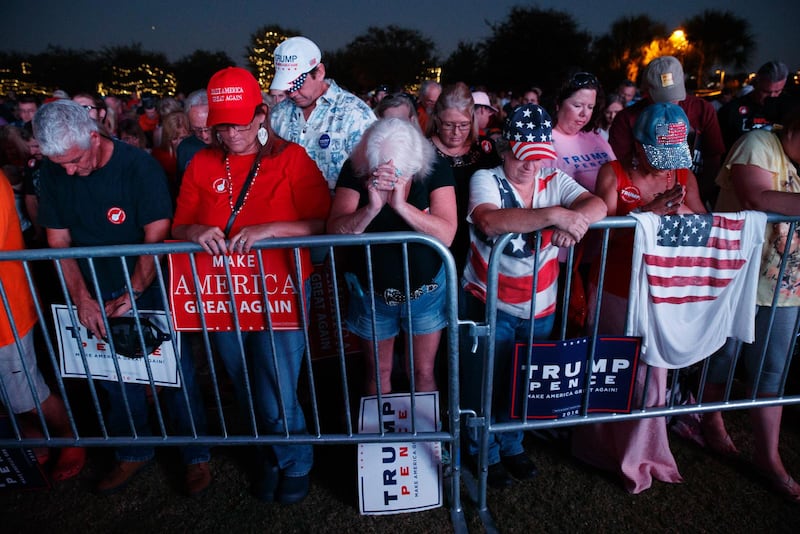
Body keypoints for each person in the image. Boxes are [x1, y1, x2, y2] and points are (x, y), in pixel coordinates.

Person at [33, 99, 211, 496]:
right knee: (112, 377)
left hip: (146, 287)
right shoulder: (54, 170)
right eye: (60, 164)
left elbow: (156, 232)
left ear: (94, 137)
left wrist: (136, 287)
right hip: (93, 287)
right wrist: (81, 297)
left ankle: (196, 455)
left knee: (174, 373)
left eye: (75, 160)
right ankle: (133, 450)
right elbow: (57, 239)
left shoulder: (137, 165)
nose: (69, 171)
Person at [172, 67, 331, 504]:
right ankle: (269, 455)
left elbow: (324, 222)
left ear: (262, 116)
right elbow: (180, 223)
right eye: (223, 125)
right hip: (223, 293)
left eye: (241, 123)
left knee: (276, 385)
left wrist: (271, 230)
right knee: (243, 381)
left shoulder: (292, 158)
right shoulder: (200, 162)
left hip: (279, 292)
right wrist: (195, 233)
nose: (232, 133)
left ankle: (295, 460)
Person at [461, 104, 607, 488]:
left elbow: (598, 203)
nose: (531, 167)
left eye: (538, 158)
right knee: (486, 384)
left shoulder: (552, 178)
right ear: (506, 149)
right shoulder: (486, 178)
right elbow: (490, 220)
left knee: (522, 382)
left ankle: (511, 444)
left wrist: (576, 222)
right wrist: (555, 215)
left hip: (540, 305)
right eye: (523, 157)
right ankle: (483, 451)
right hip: (489, 302)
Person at [573, 103, 706, 493]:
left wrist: (683, 214)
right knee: (611, 369)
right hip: (615, 286)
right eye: (658, 155)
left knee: (652, 377)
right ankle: (597, 447)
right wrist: (646, 214)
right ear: (638, 145)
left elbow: (703, 220)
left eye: (672, 156)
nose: (666, 167)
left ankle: (643, 454)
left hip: (661, 289)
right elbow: (599, 235)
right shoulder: (611, 174)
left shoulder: (683, 174)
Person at [701, 108, 800, 503]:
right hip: (739, 281)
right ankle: (710, 419)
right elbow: (755, 197)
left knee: (772, 372)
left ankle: (769, 457)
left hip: (787, 288)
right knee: (722, 359)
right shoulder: (759, 144)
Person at [327, 118, 456, 394]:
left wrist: (400, 205)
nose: (389, 176)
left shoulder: (435, 168)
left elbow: (446, 234)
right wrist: (371, 208)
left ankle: (425, 437)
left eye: (399, 173)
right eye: (379, 170)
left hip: (425, 291)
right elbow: (335, 233)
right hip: (372, 292)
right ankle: (381, 438)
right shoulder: (355, 168)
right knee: (379, 372)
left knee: (422, 372)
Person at [0, 168, 86, 482]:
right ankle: (35, 439)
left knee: (27, 393)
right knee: (9, 395)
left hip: (6, 314)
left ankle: (69, 437)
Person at [609, 55, 725, 209]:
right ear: (646, 92)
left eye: (674, 97)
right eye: (661, 99)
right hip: (637, 197)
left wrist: (691, 196)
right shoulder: (626, 118)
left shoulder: (702, 109)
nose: (669, 104)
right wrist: (648, 210)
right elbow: (622, 168)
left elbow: (713, 159)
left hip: (689, 187)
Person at [269, 36, 376, 192]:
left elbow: (370, 175)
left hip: (335, 210)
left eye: (298, 84)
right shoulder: (278, 114)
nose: (292, 94)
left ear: (319, 72)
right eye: (287, 87)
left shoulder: (355, 114)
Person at [427, 82, 501, 272]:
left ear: (473, 120)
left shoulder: (485, 149)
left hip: (479, 240)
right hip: (437, 242)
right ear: (436, 119)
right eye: (449, 125)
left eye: (463, 125)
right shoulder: (422, 151)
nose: (456, 133)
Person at [552, 72, 616, 192]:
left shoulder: (595, 135)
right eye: (577, 106)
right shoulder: (545, 140)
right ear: (557, 104)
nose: (584, 114)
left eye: (590, 107)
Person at [717, 61, 790, 152]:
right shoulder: (731, 110)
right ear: (756, 83)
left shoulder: (788, 111)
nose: (772, 96)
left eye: (777, 91)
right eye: (766, 92)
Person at [176, 89, 211, 184]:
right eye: (197, 129)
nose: (204, 136)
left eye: (209, 128)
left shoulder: (232, 142)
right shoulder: (185, 147)